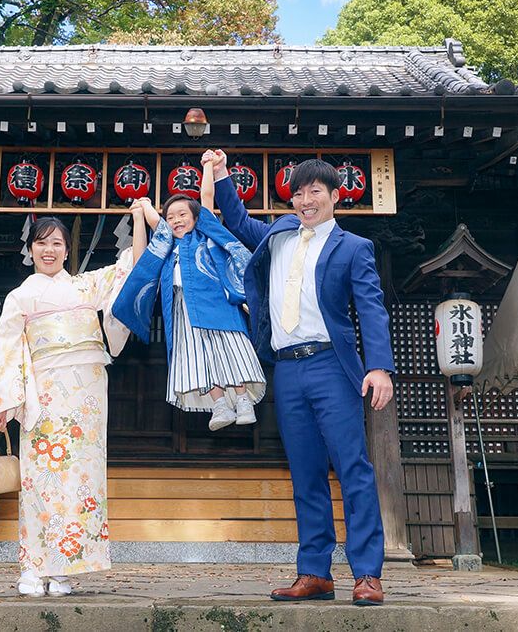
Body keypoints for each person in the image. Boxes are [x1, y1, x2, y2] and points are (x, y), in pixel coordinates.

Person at [206, 149, 396, 606]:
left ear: (334, 196)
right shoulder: (277, 235)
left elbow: (370, 306)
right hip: (287, 368)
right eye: (298, 193)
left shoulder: (353, 248)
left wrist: (379, 366)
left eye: (315, 191)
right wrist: (221, 175)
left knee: (353, 468)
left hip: (332, 366)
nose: (306, 199)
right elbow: (237, 220)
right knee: (305, 473)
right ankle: (315, 572)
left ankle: (367, 574)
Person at [0, 204, 146, 597]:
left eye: (57, 243)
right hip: (45, 394)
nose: (50, 250)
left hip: (87, 397)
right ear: (32, 249)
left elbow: (133, 265)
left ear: (66, 250)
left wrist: (140, 218)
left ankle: (62, 570)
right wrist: (6, 401)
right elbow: (6, 346)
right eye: (42, 243)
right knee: (40, 480)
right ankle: (32, 566)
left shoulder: (85, 287)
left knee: (80, 481)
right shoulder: (20, 297)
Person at [113, 158, 265, 431]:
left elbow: (206, 196)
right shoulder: (166, 246)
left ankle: (243, 399)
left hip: (217, 304)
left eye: (182, 214)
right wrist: (141, 214)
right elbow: (141, 261)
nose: (176, 220)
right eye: (170, 217)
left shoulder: (204, 236)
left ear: (196, 217)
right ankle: (219, 404)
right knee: (200, 357)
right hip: (183, 309)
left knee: (228, 349)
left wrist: (208, 165)